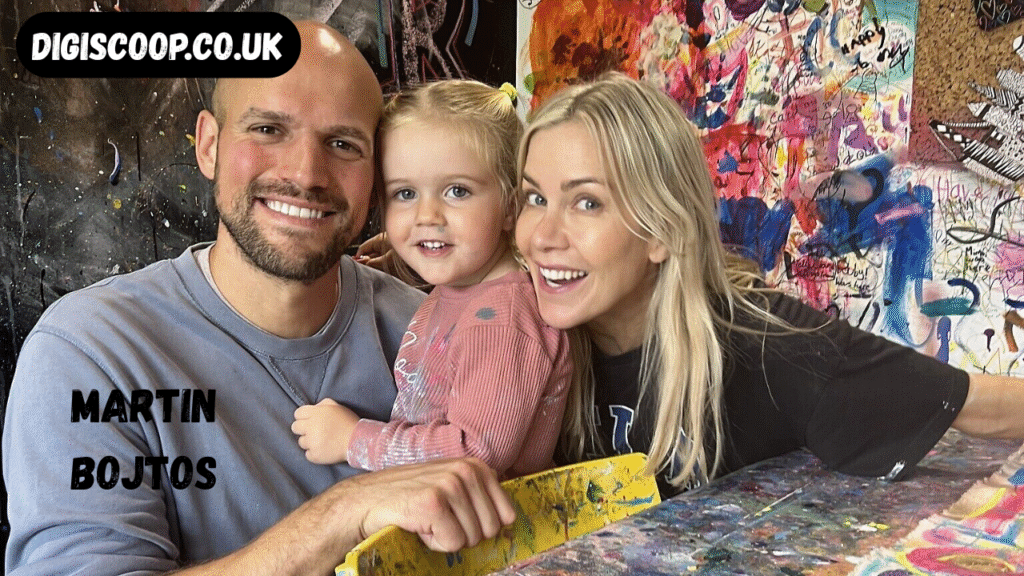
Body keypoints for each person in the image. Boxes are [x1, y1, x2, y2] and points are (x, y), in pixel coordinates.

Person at [2, 21, 514, 576]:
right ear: (209, 146)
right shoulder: (93, 353)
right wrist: (345, 511)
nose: (306, 174)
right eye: (268, 129)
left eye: (343, 144)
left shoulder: (436, 332)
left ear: (377, 173)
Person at [514, 72, 1024, 498]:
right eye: (534, 199)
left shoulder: (769, 345)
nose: (541, 237)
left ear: (663, 230)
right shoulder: (512, 332)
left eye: (587, 203)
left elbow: (973, 404)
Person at [291, 80, 573, 480]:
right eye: (405, 194)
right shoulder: (464, 292)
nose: (427, 216)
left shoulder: (502, 319)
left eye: (457, 191)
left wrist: (354, 439)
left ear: (512, 207)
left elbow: (476, 453)